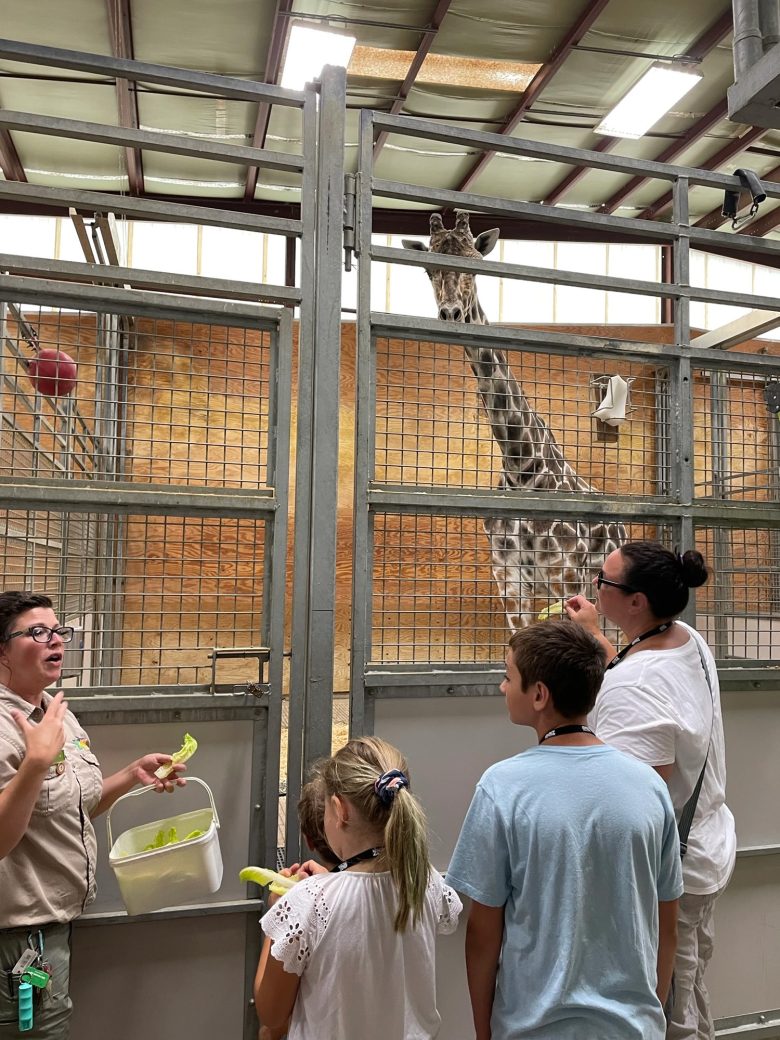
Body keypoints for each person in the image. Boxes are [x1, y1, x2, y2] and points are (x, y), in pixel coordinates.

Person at [447, 619, 683, 1040]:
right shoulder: (650, 785)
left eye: (509, 677)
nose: (503, 688)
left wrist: (485, 1032)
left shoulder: (503, 788)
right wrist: (649, 1021)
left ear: (539, 695)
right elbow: (667, 927)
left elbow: (484, 936)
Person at [565, 542, 736, 1040]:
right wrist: (596, 635)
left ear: (636, 601)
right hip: (706, 847)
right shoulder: (686, 639)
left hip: (671, 876)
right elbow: (640, 674)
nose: (595, 586)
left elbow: (638, 810)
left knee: (667, 1010)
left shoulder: (634, 688)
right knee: (689, 983)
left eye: (604, 580)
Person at [0, 591, 186, 1040]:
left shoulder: (54, 712)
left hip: (49, 937)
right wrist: (36, 764)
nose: (56, 641)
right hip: (13, 944)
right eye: (37, 632)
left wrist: (128, 775)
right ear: (1, 649)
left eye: (59, 630)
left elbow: (64, 807)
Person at [253, 736, 461, 1040]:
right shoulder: (424, 879)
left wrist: (281, 915)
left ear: (340, 810)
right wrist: (328, 882)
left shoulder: (306, 902)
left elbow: (271, 1013)